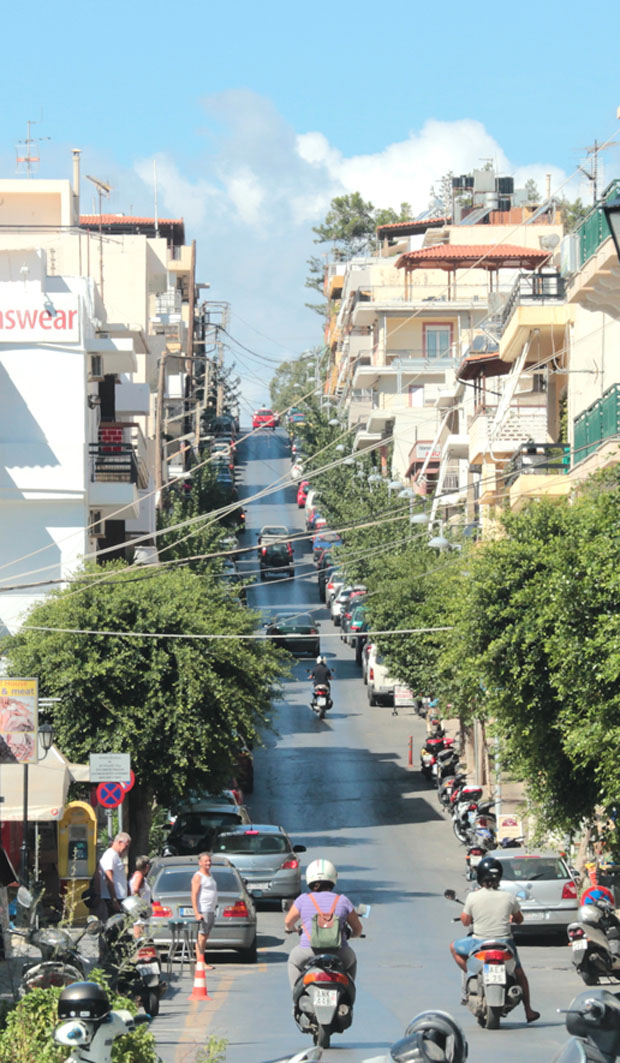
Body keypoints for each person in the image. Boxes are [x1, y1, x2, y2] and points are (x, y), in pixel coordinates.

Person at [449, 856, 540, 1023]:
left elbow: (465, 922)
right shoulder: (509, 897)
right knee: (520, 974)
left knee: (453, 947)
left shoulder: (473, 897)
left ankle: (471, 974)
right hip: (505, 944)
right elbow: (519, 919)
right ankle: (528, 1011)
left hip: (478, 943)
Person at [284, 858, 362, 990]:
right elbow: (358, 929)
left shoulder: (303, 900)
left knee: (293, 961)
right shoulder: (343, 901)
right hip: (340, 952)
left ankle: (296, 997)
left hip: (307, 951)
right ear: (333, 879)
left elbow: (288, 922)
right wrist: (353, 934)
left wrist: (291, 929)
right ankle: (347, 994)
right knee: (352, 960)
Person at [191, 851, 218, 970]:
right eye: (206, 861)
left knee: (205, 936)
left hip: (211, 910)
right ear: (200, 863)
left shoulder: (210, 875)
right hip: (204, 909)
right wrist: (197, 912)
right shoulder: (198, 876)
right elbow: (194, 895)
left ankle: (202, 960)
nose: (208, 863)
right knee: (201, 936)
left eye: (209, 861)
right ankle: (200, 962)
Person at [98, 832, 131, 918]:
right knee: (116, 925)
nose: (126, 849)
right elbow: (109, 878)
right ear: (120, 842)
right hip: (114, 897)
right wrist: (114, 900)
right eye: (126, 846)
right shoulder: (110, 855)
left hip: (119, 897)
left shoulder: (116, 856)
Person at [129, 855, 152, 939]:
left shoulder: (135, 874)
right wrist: (140, 903)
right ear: (147, 866)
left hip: (136, 908)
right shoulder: (140, 876)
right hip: (140, 909)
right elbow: (135, 889)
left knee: (138, 926)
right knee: (140, 929)